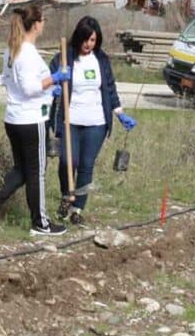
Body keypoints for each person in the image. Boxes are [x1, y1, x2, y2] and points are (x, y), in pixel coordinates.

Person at [0, 5, 69, 236]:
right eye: (44, 20)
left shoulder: (12, 50)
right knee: (37, 171)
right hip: (30, 119)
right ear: (36, 24)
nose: (44, 24)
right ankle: (41, 223)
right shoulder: (26, 52)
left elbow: (10, 82)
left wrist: (50, 91)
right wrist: (54, 79)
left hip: (14, 117)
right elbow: (29, 88)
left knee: (23, 170)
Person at [48, 16, 137, 225]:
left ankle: (77, 208)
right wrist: (55, 87)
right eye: (86, 40)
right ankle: (66, 195)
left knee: (87, 165)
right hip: (70, 120)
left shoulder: (101, 60)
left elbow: (110, 88)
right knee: (68, 161)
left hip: (96, 122)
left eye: (93, 40)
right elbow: (48, 79)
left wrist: (120, 113)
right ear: (78, 38)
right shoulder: (64, 58)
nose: (89, 45)